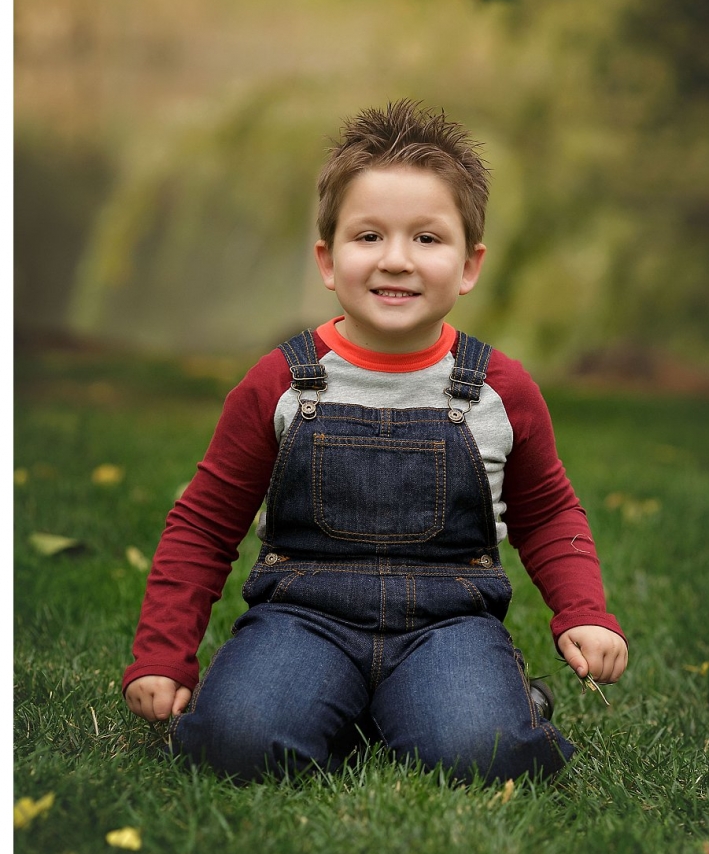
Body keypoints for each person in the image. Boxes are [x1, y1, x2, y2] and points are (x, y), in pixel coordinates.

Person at [123, 98, 628, 784]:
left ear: (470, 264)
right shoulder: (284, 381)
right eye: (369, 237)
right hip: (302, 615)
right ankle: (324, 703)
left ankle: (502, 701)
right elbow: (205, 522)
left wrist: (584, 611)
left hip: (448, 624)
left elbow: (549, 513)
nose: (396, 259)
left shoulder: (498, 388)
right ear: (328, 260)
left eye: (427, 238)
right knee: (235, 743)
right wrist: (162, 653)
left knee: (483, 753)